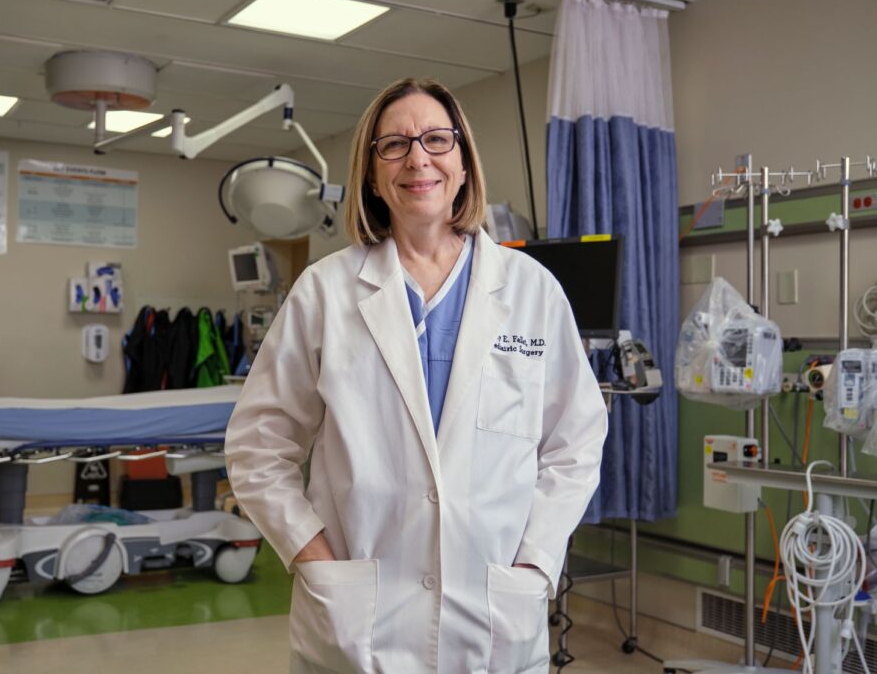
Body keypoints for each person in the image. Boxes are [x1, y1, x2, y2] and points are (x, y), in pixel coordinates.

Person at [225, 78, 608, 673]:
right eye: (394, 146)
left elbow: (575, 442)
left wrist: (535, 562)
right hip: (358, 614)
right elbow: (258, 447)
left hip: (493, 610)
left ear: (462, 162)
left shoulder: (531, 289)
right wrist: (315, 558)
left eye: (436, 139)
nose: (418, 159)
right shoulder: (325, 291)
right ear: (373, 174)